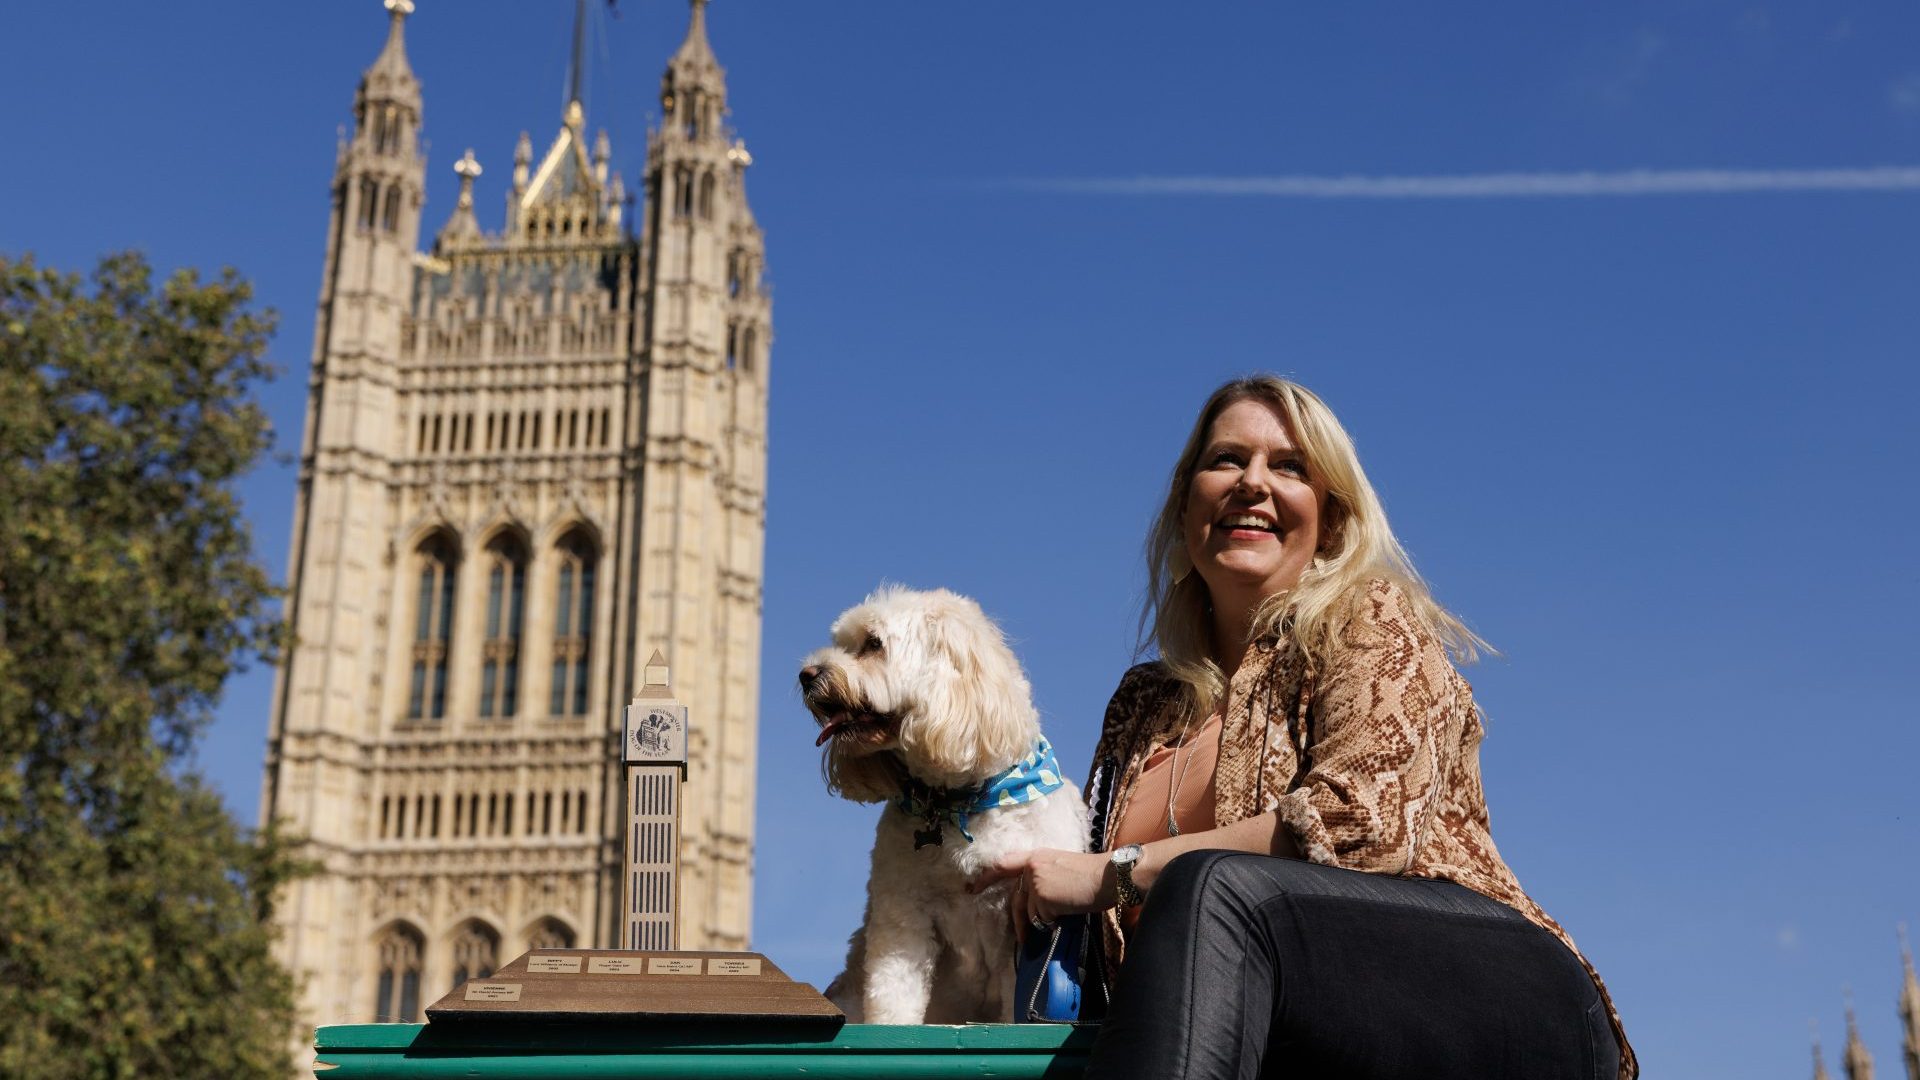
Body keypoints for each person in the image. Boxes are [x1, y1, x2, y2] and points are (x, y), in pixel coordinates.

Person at [977, 376, 1635, 1079]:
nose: (1251, 484)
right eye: (1225, 460)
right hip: (1287, 1039)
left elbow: (1360, 827)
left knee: (1212, 887)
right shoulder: (1139, 706)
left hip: (1496, 1000)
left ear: (1332, 520)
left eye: (1288, 467)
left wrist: (1112, 874)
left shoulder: (1369, 618)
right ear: (1183, 505)